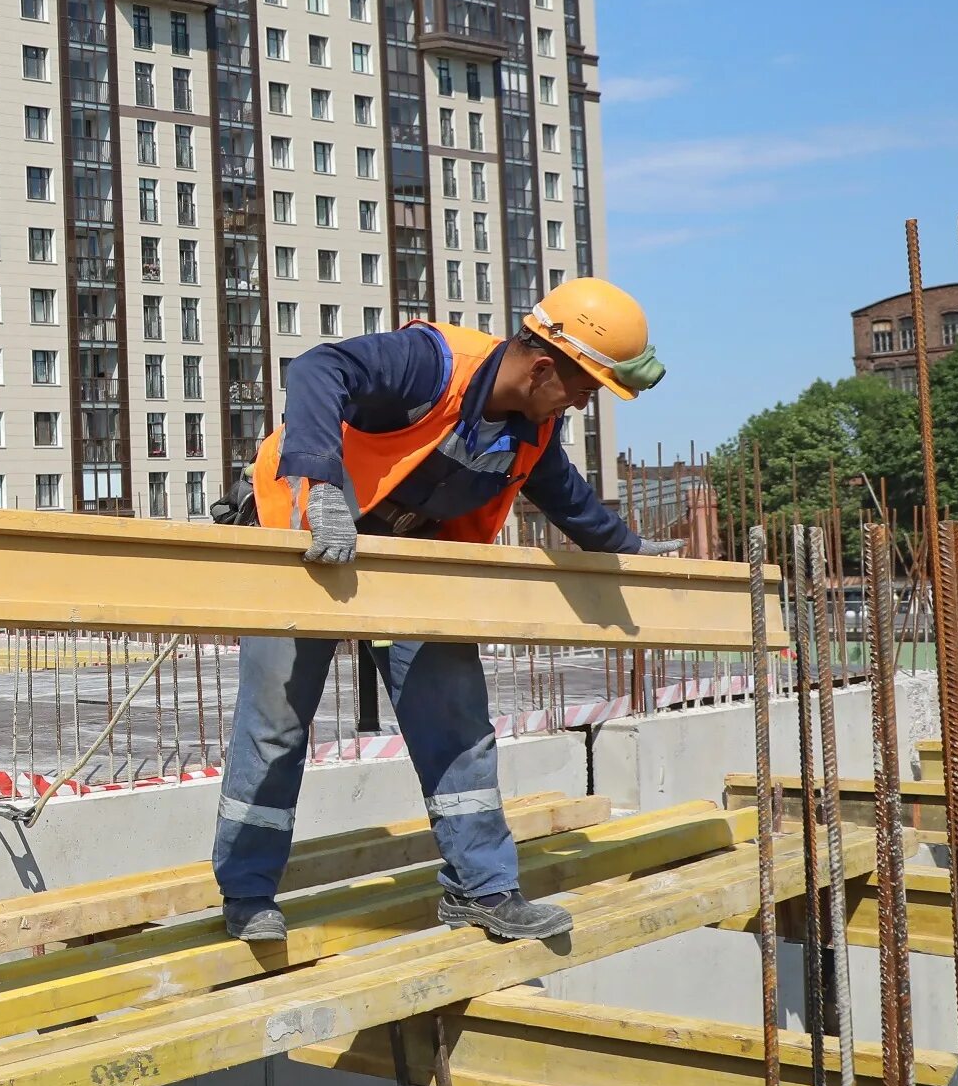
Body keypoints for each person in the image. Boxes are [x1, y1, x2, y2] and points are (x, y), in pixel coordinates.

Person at [212, 279, 678, 945]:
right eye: (585, 386)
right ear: (545, 366)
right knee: (277, 724)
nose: (583, 400)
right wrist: (319, 487)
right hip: (305, 534)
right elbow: (320, 367)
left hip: (409, 560)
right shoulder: (432, 365)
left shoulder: (533, 431)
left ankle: (482, 890)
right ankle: (247, 895)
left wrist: (632, 554)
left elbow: (569, 501)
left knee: (456, 720)